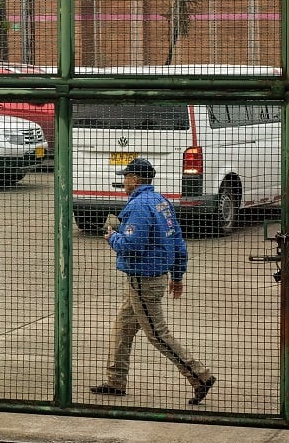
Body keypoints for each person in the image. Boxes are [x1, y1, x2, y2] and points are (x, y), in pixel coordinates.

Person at [90, 157, 216, 405]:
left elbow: (131, 245)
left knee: (157, 334)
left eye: (127, 177)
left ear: (135, 179)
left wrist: (112, 237)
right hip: (152, 277)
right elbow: (178, 242)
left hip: (143, 279)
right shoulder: (161, 202)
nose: (124, 181)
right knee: (123, 327)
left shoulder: (139, 206)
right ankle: (116, 381)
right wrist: (177, 276)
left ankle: (199, 376)